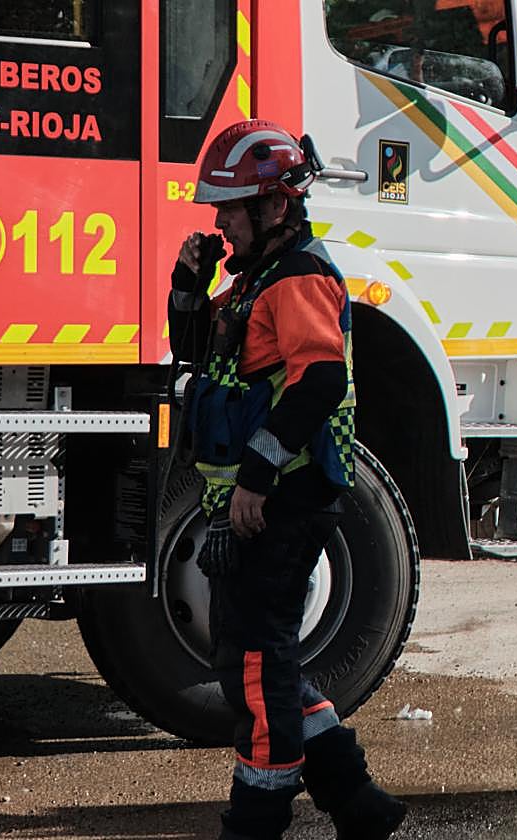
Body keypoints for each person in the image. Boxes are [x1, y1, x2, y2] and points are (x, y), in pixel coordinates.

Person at [167, 119, 407, 840]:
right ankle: (357, 803)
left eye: (229, 210)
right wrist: (188, 287)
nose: (220, 223)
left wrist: (257, 479)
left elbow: (319, 384)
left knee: (253, 667)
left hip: (283, 501)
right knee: (257, 654)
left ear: (273, 206)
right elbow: (203, 362)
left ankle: (259, 819)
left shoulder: (298, 278)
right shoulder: (256, 282)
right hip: (254, 503)